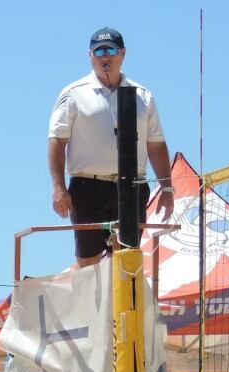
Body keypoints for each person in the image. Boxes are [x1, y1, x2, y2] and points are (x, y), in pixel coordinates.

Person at [48, 27, 174, 266]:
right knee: (89, 262)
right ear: (89, 55)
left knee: (127, 258)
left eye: (111, 50)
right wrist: (58, 188)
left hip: (133, 186)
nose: (105, 56)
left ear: (123, 53)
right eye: (98, 51)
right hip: (88, 186)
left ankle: (124, 304)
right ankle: (89, 303)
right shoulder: (73, 94)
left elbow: (156, 144)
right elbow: (56, 140)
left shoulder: (142, 95)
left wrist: (167, 188)